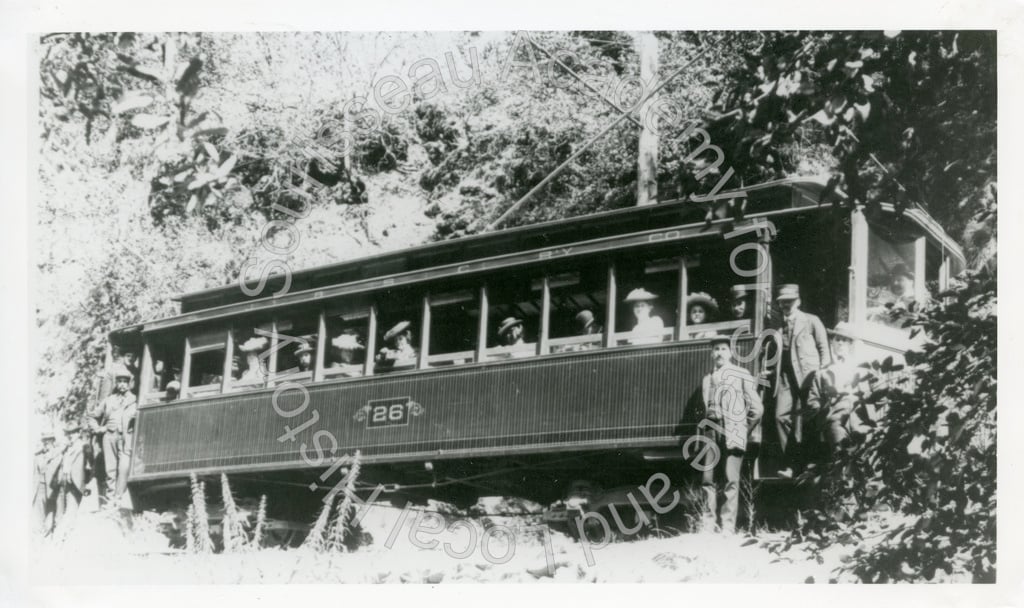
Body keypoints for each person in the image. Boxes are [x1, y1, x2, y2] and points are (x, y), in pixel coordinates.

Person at [699, 335, 764, 533]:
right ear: (712, 354)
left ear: (731, 353)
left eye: (723, 349)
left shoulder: (741, 373)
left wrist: (743, 429)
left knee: (730, 479)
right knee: (707, 479)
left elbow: (757, 409)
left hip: (733, 431)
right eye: (716, 349)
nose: (719, 353)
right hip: (711, 431)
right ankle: (707, 525)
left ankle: (728, 527)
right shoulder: (707, 379)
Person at [769, 284, 831, 477]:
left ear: (799, 302)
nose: (786, 305)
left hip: (808, 376)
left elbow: (824, 349)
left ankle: (811, 463)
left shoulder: (811, 321)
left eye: (790, 301)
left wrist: (822, 374)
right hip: (786, 376)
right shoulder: (776, 325)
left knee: (810, 417)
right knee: (780, 417)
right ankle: (792, 464)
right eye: (782, 302)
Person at [806, 323, 870, 455]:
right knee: (841, 456)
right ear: (832, 342)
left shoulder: (862, 369)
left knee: (863, 458)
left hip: (860, 419)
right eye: (837, 339)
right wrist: (824, 417)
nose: (840, 343)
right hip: (836, 420)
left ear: (850, 344)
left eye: (844, 340)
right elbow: (813, 401)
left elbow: (876, 393)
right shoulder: (822, 373)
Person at [89, 363, 137, 503]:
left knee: (124, 467)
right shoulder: (108, 400)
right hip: (109, 437)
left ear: (129, 384)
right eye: (120, 382)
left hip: (126, 437)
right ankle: (111, 500)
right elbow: (92, 416)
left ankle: (119, 497)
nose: (122, 385)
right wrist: (98, 429)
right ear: (116, 383)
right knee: (110, 470)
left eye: (125, 382)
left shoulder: (135, 400)